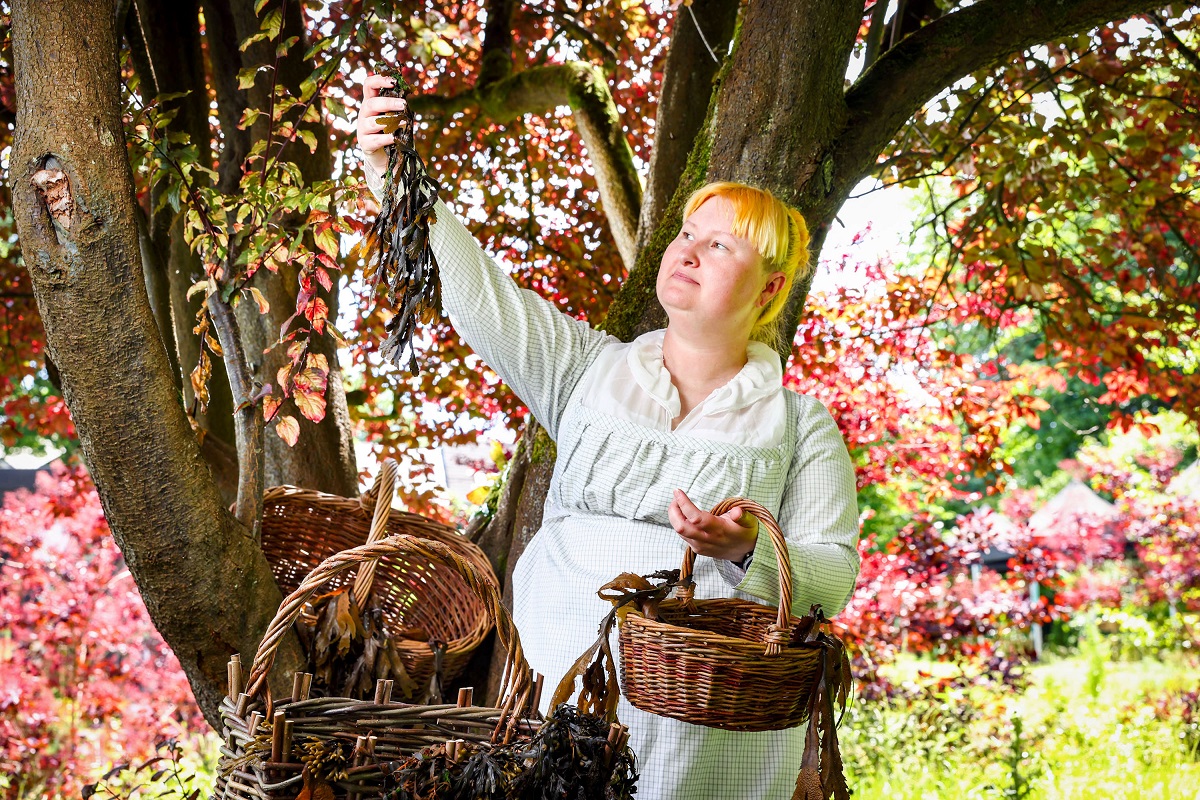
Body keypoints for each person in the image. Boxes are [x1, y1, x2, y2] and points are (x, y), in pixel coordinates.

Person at [356, 73, 860, 799]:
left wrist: (743, 549)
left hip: (711, 740)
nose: (688, 250)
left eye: (721, 246)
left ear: (772, 290)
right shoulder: (585, 369)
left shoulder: (800, 425)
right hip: (560, 714)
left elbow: (833, 574)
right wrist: (391, 170)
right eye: (688, 233)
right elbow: (477, 291)